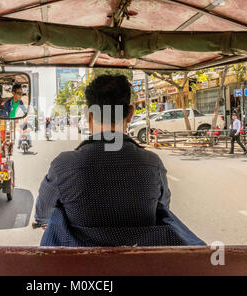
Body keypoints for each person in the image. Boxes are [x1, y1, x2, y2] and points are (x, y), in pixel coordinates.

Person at [32, 75, 204, 247]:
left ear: (87, 114)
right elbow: (163, 206)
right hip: (139, 265)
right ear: (130, 113)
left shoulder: (63, 165)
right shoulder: (152, 163)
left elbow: (43, 214)